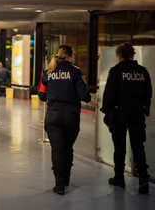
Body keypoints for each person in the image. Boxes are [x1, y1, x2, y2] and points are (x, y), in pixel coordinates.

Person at [39, 45, 97, 195]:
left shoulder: (48, 72)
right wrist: (90, 101)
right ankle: (66, 179)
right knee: (67, 147)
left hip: (53, 114)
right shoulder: (75, 71)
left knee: (57, 149)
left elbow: (41, 96)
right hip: (71, 114)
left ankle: (59, 184)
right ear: (70, 55)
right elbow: (83, 94)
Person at [101, 43, 152, 194]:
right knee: (138, 146)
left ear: (119, 56)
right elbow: (148, 92)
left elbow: (109, 94)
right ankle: (143, 180)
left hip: (120, 113)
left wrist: (106, 111)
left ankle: (119, 178)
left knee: (120, 146)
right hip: (137, 112)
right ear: (132, 55)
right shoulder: (142, 71)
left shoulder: (116, 71)